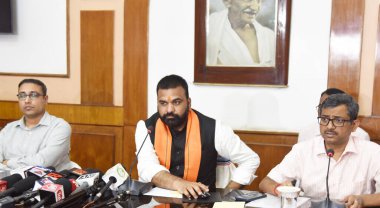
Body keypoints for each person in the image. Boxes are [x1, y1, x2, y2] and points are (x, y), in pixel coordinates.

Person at [135, 74, 260, 199]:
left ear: (188, 103)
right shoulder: (146, 128)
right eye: (163, 103)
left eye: (176, 102)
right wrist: (180, 183)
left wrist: (227, 195)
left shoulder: (215, 129)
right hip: (160, 202)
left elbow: (250, 159)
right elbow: (147, 167)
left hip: (202, 203)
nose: (169, 110)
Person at [259, 93, 380, 205]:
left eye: (338, 120)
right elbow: (265, 183)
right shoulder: (303, 150)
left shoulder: (373, 152)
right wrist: (279, 189)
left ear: (354, 125)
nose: (329, 126)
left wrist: (362, 200)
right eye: (324, 119)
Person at [0, 79, 75, 171]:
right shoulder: (8, 129)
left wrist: (8, 162)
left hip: (49, 183)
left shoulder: (59, 127)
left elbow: (43, 163)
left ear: (45, 99)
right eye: (22, 95)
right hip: (9, 182)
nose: (27, 100)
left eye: (33, 95)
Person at [207, 0, 276, 66]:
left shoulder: (269, 37)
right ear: (227, 1)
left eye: (259, 1)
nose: (255, 7)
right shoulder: (211, 28)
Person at [298, 88, 370, 142]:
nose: (330, 126)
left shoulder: (361, 136)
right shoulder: (306, 132)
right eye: (323, 105)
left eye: (338, 120)